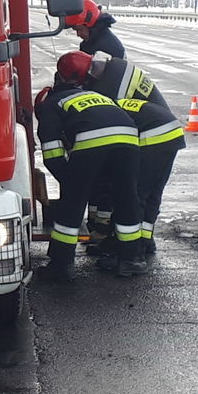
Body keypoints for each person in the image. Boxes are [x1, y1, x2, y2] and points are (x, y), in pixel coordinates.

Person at [34, 77, 146, 280]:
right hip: (129, 141)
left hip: (92, 143)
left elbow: (52, 154)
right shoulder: (96, 96)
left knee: (72, 203)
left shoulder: (51, 105)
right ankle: (131, 260)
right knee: (126, 198)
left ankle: (62, 266)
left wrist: (71, 183)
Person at [102, 97, 186, 261]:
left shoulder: (102, 116)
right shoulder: (109, 104)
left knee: (136, 193)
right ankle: (145, 241)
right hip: (173, 132)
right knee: (154, 191)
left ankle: (131, 252)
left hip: (154, 135)